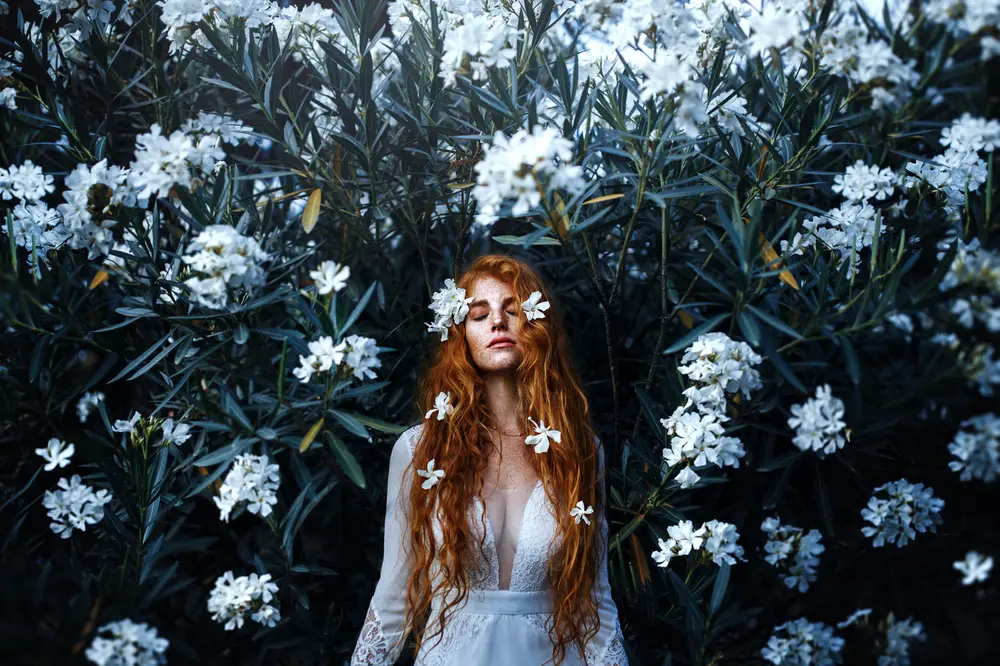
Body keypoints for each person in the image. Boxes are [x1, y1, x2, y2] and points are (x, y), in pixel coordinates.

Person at [350, 254, 628, 666]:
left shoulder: (579, 450)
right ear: (460, 335)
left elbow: (594, 600)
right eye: (479, 315)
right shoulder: (419, 450)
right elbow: (394, 598)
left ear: (535, 325)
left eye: (512, 311)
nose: (498, 322)